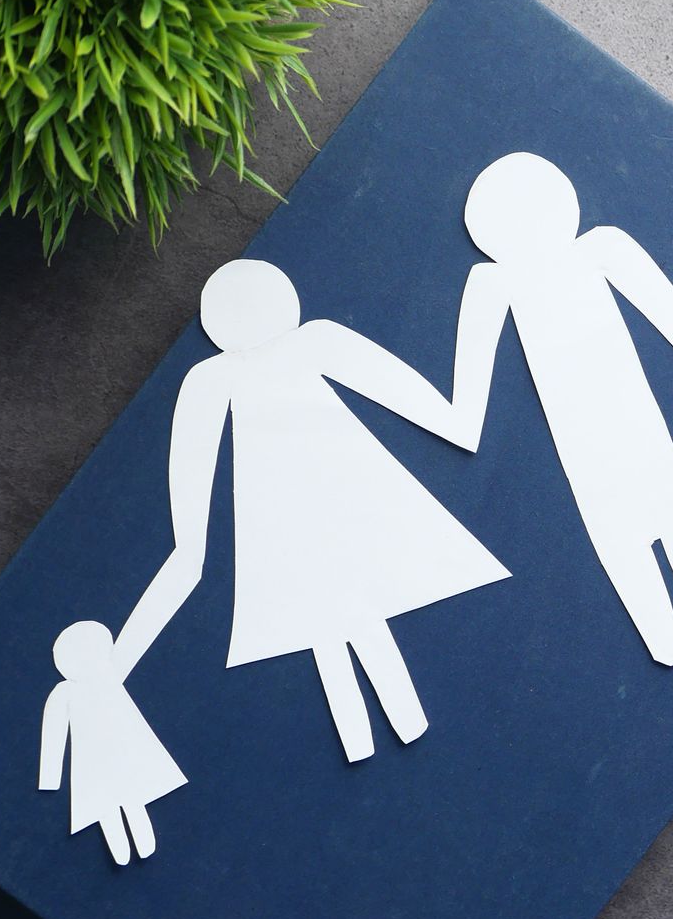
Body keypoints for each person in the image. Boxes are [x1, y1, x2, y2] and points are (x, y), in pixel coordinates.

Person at [115, 259, 508, 764]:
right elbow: (191, 493)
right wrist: (458, 418)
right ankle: (382, 731)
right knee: (335, 608)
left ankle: (390, 729)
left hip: (322, 498)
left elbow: (397, 389)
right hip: (291, 508)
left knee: (338, 607)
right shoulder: (224, 373)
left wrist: (456, 421)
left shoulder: (258, 360)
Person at [447, 152, 673, 665]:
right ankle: (669, 643)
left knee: (669, 515)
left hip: (632, 417)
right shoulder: (494, 282)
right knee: (624, 532)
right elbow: (467, 401)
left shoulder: (600, 248)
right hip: (581, 436)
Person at [38, 621, 187, 865]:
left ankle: (141, 845)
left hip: (117, 754)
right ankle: (123, 851)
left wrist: (50, 779)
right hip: (93, 762)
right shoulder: (68, 691)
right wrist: (50, 778)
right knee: (107, 807)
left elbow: (139, 638)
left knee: (129, 798)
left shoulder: (107, 676)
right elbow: (53, 732)